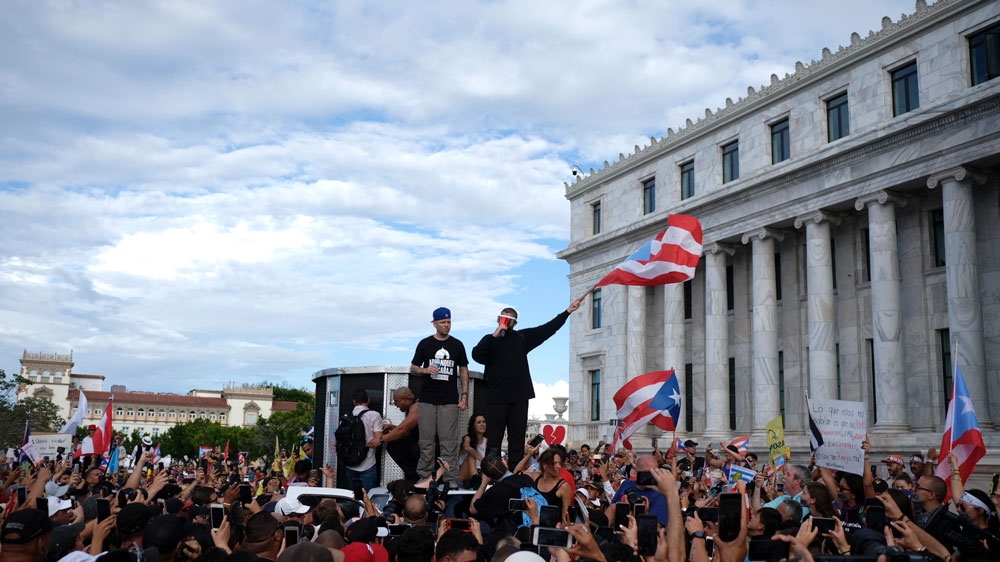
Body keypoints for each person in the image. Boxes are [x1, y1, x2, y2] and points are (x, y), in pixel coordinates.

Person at [471, 297, 583, 468]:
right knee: (493, 439)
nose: (505, 322)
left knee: (517, 440)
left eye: (509, 320)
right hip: (496, 397)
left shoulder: (522, 337)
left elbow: (547, 329)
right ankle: (489, 476)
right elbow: (477, 356)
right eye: (502, 319)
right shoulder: (490, 340)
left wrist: (567, 312)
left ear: (514, 323)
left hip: (519, 396)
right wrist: (494, 336)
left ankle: (515, 475)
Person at [410, 307, 469, 485]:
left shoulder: (457, 344)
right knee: (426, 442)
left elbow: (463, 370)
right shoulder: (425, 344)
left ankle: (451, 478)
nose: (446, 325)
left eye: (449, 322)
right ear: (434, 323)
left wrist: (464, 395)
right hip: (427, 399)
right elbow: (412, 368)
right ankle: (425, 477)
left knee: (449, 443)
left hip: (449, 400)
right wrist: (425, 369)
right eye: (443, 322)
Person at [342, 389, 384, 492]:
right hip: (368, 464)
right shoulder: (374, 415)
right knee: (368, 499)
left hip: (350, 464)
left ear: (353, 401)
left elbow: (337, 442)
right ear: (368, 400)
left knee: (353, 498)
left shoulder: (346, 418)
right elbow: (378, 440)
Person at [381, 387, 421, 483]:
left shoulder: (416, 406)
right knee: (394, 445)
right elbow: (407, 432)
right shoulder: (410, 409)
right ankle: (413, 474)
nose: (397, 405)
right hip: (416, 441)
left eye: (397, 402)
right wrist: (391, 427)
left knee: (413, 449)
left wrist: (381, 439)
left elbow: (403, 430)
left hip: (425, 445)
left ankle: (416, 475)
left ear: (405, 399)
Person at [459, 414, 487, 487]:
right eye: (479, 422)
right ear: (473, 426)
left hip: (481, 472)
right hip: (465, 473)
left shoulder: (487, 441)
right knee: (471, 456)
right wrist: (483, 460)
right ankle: (475, 479)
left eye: (484, 422)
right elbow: (467, 448)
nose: (482, 424)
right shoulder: (467, 438)